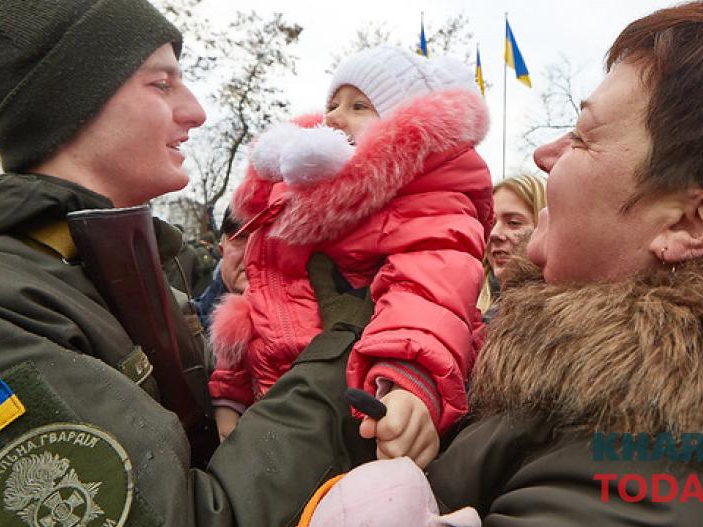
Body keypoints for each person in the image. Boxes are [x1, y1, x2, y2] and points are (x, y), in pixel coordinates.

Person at [0, 1, 375, 524]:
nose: (196, 111)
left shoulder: (119, 280)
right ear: (72, 100)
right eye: (161, 84)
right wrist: (341, 342)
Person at [405, 1, 703, 524]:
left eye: (582, 136)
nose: (545, 155)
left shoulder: (677, 476)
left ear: (688, 225)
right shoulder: (567, 386)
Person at [208, 46, 493, 466]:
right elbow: (260, 305)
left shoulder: (430, 204)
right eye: (332, 104)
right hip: (271, 421)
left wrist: (408, 382)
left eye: (360, 105)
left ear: (406, 128)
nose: (335, 116)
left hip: (358, 424)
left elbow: (428, 293)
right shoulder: (297, 209)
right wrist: (230, 395)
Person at [476, 174, 547, 317]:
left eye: (514, 223)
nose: (494, 234)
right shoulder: (464, 298)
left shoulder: (566, 311)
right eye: (491, 223)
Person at [194, 208, 247, 335]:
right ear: (222, 250)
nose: (252, 253)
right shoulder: (189, 325)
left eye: (267, 237)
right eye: (240, 237)